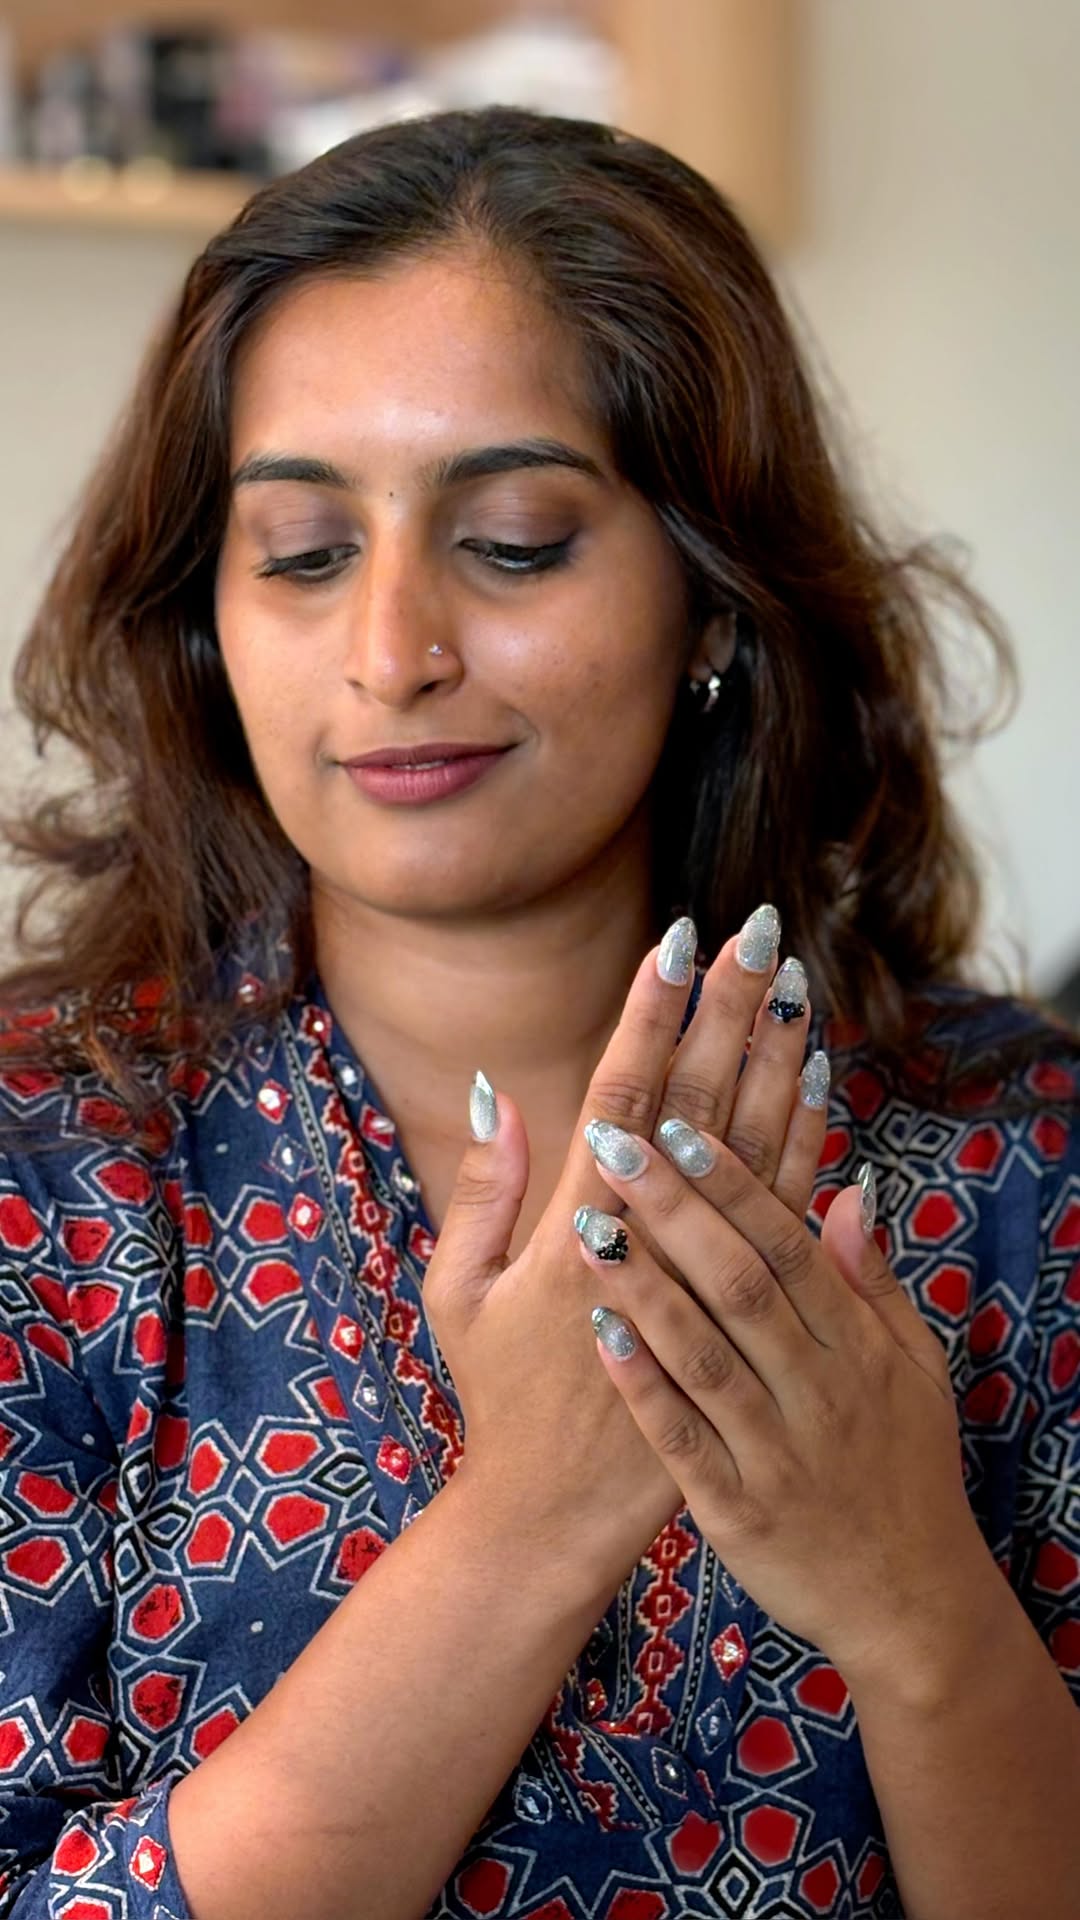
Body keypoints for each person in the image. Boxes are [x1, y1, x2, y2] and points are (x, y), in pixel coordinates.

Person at [0, 106, 1075, 1920]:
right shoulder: (48, 1177)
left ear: (712, 600)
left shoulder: (1018, 1163)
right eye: (303, 551)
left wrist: (919, 1609)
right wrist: (532, 1516)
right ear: (207, 615)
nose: (391, 652)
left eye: (509, 543)